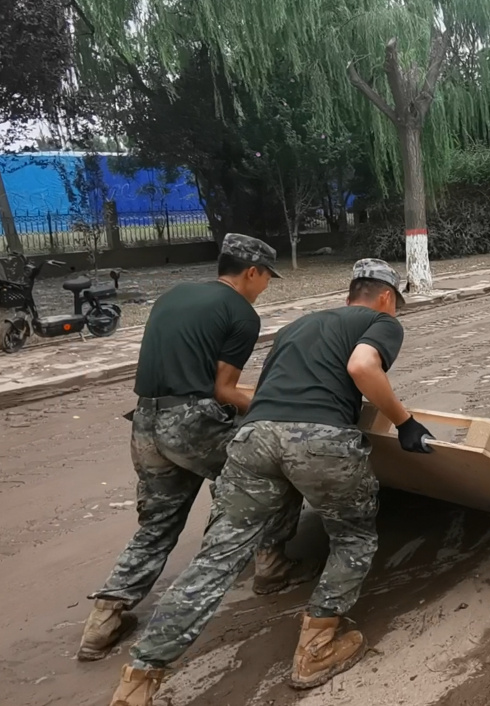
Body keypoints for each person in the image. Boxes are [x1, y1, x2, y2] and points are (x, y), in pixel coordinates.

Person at [108, 259, 436, 706]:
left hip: (254, 439)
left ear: (347, 294)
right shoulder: (380, 321)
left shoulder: (300, 325)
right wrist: (406, 422)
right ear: (384, 297)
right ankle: (316, 649)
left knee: (217, 557)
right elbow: (362, 367)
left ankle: (140, 677)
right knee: (353, 538)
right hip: (320, 440)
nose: (394, 311)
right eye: (395, 303)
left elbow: (266, 388)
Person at [78, 233, 307, 663]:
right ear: (251, 272)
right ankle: (271, 564)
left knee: (157, 524)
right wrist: (281, 403)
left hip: (145, 422)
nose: (266, 287)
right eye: (266, 279)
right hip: (191, 422)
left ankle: (104, 619)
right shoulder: (241, 313)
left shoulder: (173, 295)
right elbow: (224, 391)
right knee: (273, 469)